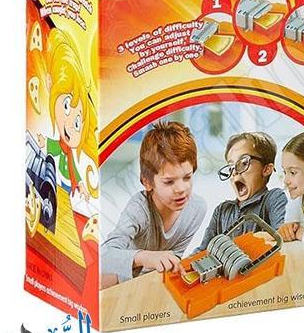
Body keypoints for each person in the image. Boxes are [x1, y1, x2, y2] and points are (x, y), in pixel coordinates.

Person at [100, 121, 206, 287]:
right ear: (147, 182)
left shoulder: (196, 209)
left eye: (187, 177)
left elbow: (174, 259)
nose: (181, 189)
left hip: (152, 283)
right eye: (169, 182)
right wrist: (144, 257)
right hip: (119, 279)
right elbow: (104, 256)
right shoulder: (139, 209)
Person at [192, 132, 286, 252]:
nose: (234, 172)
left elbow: (281, 235)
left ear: (266, 169)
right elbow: (202, 251)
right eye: (231, 166)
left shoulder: (273, 198)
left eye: (244, 163)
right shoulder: (222, 211)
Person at [37, 29, 98, 201]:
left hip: (66, 187)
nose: (71, 124)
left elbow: (76, 172)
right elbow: (54, 146)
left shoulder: (70, 153)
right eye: (66, 106)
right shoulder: (61, 146)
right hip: (58, 184)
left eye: (78, 122)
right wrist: (44, 142)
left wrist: (82, 185)